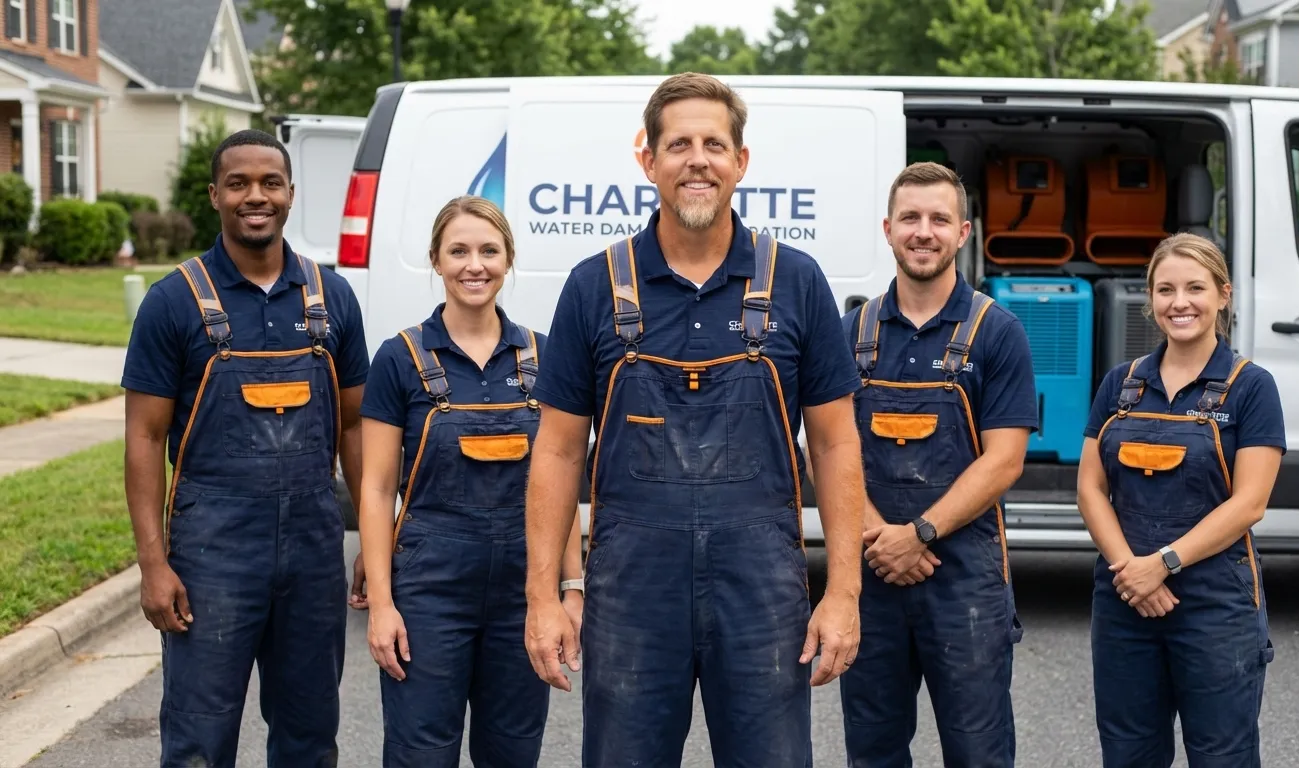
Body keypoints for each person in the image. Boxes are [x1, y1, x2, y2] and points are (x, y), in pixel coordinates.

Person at [521, 72, 866, 767]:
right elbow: (557, 452)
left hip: (761, 586)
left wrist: (845, 594)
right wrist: (544, 598)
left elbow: (834, 445)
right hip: (632, 589)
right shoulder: (594, 285)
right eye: (678, 144)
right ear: (647, 159)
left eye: (714, 143)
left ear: (742, 161)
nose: (697, 159)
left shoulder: (797, 281)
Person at [121, 129, 369, 767]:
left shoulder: (332, 298)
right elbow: (146, 438)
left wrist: (374, 536)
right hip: (213, 552)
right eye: (238, 184)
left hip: (314, 549)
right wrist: (153, 564)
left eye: (270, 183)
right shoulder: (172, 301)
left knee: (309, 734)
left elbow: (354, 428)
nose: (254, 196)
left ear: (290, 194)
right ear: (214, 196)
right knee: (200, 739)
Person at [354, 196, 585, 767]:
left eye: (488, 250)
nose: (473, 265)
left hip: (521, 593)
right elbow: (378, 489)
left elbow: (563, 482)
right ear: (436, 260)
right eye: (458, 250)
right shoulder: (399, 359)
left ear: (508, 260)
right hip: (430, 591)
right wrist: (382, 604)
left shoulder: (545, 356)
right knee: (420, 754)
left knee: (512, 752)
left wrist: (571, 590)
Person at [824, 161, 1038, 768]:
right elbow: (823, 449)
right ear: (888, 229)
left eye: (939, 219)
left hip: (964, 580)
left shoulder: (998, 334)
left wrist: (917, 534)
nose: (925, 232)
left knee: (978, 752)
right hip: (869, 574)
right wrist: (877, 536)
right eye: (911, 219)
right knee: (873, 750)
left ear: (963, 232)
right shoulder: (849, 335)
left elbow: (1004, 461)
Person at [1078, 232, 1285, 767]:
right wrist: (1132, 571)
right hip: (1126, 598)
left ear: (1223, 294)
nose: (1180, 302)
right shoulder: (1120, 385)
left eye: (1195, 288)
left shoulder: (1251, 388)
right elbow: (1090, 487)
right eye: (1165, 289)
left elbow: (1250, 503)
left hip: (1216, 603)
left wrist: (1164, 564)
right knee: (1128, 753)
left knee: (1223, 755)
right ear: (1150, 298)